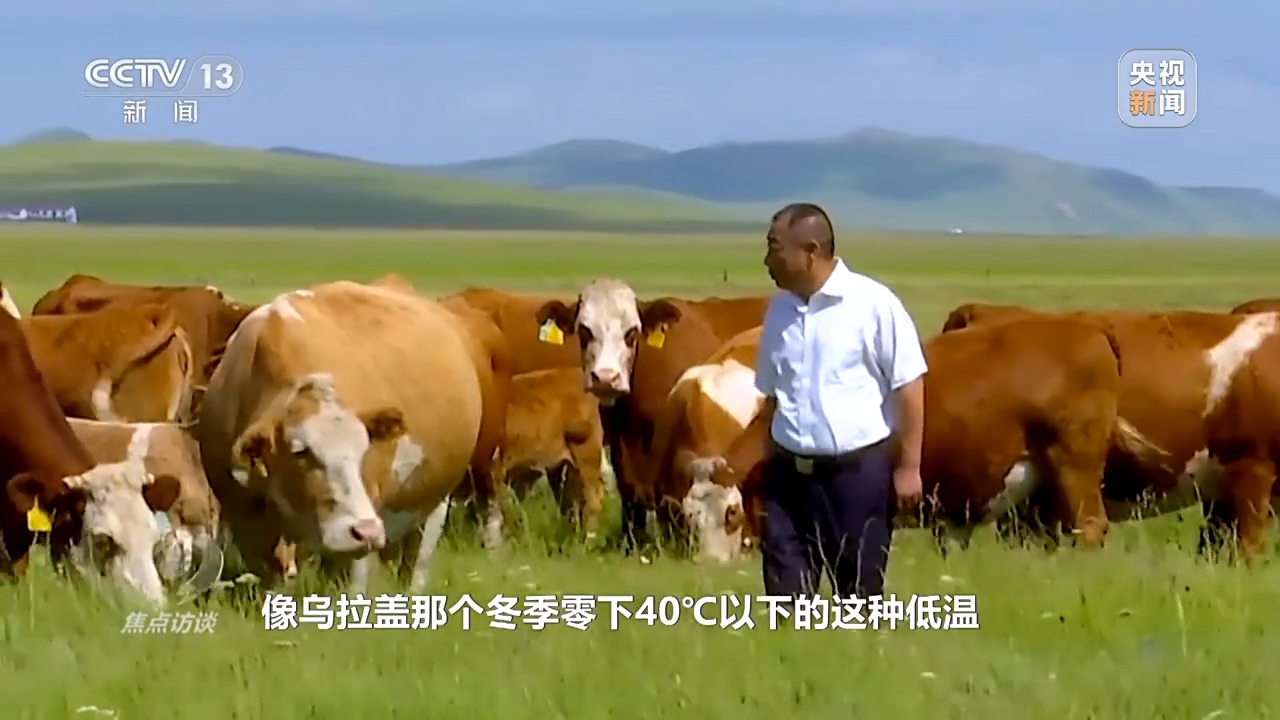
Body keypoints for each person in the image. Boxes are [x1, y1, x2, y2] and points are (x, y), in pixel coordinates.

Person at [752, 202, 927, 600]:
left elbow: (910, 385)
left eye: (774, 248)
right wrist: (761, 465)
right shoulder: (778, 311)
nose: (766, 261)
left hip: (856, 477)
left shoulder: (873, 304)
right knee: (784, 598)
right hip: (788, 478)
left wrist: (909, 467)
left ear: (810, 251)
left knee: (859, 596)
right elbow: (772, 398)